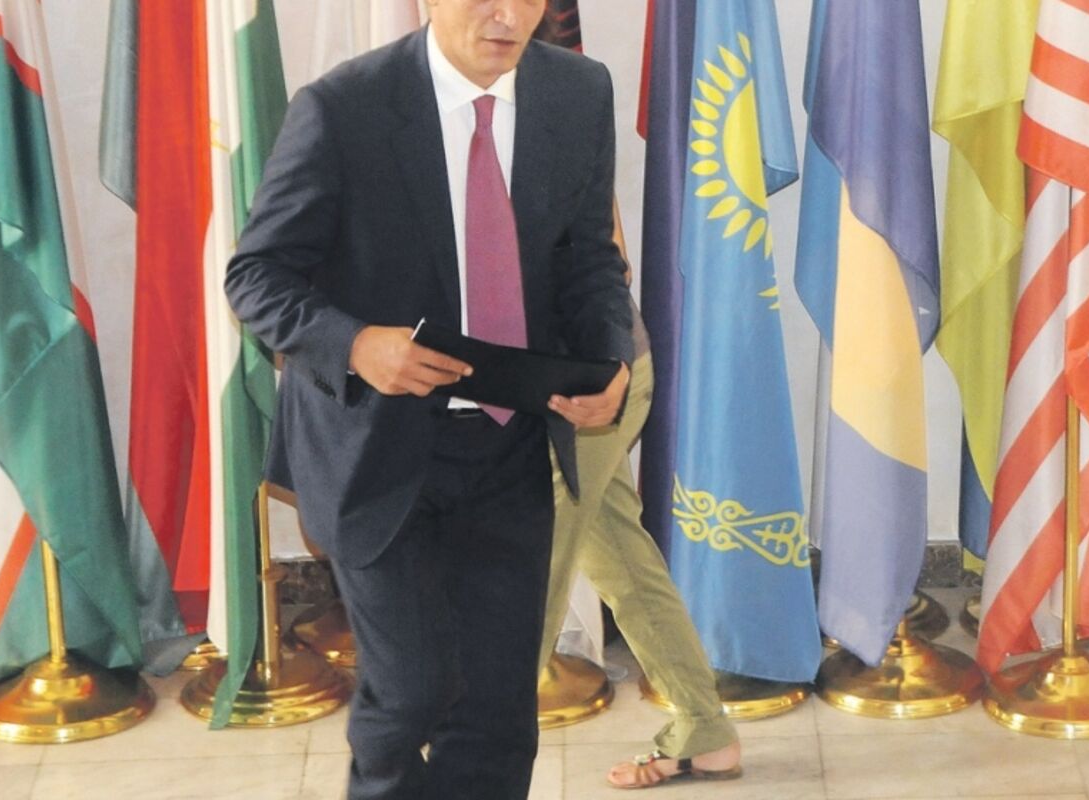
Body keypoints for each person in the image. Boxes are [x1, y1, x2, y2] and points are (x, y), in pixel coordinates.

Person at [224, 1, 634, 798]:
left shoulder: (578, 92)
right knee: (411, 690)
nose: (507, 15)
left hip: (510, 438)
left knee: (497, 708)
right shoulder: (344, 107)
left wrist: (608, 359)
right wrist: (354, 344)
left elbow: (588, 256)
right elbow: (257, 274)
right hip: (376, 447)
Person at [540, 206, 742, 790]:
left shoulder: (555, 140)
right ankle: (706, 732)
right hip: (561, 379)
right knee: (618, 556)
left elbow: (609, 260)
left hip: (584, 385)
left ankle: (470, 767)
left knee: (528, 574)